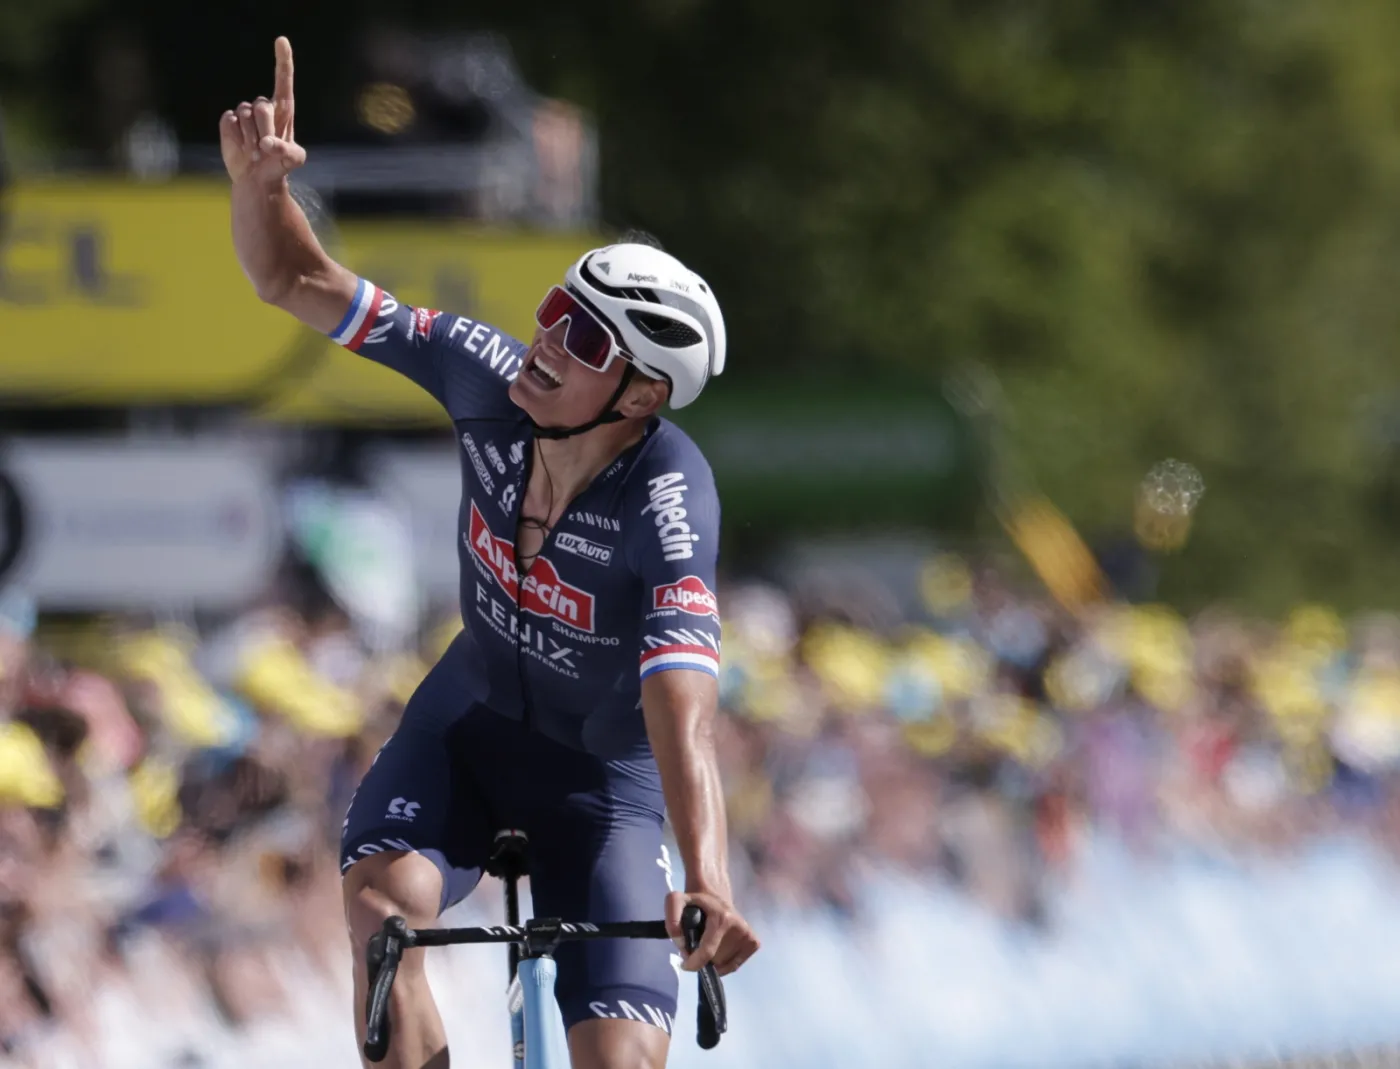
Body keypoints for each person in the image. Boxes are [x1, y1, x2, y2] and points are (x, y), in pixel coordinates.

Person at [219, 37, 759, 1069]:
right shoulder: (481, 371)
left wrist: (708, 877)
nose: (548, 340)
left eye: (586, 341)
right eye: (557, 311)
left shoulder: (667, 494)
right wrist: (259, 190)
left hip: (601, 790)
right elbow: (294, 277)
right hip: (464, 734)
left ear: (643, 394)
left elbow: (681, 706)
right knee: (383, 922)